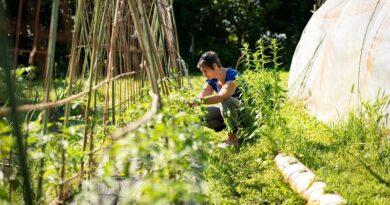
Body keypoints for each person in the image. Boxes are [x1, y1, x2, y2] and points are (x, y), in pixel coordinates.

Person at [190, 51, 244, 145]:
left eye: (205, 70)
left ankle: (232, 138)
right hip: (230, 113)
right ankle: (230, 128)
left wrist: (199, 101)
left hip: (245, 114)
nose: (203, 74)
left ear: (215, 66)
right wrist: (191, 103)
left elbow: (222, 96)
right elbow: (203, 94)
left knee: (227, 101)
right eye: (202, 71)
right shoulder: (212, 80)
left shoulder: (233, 76)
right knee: (202, 114)